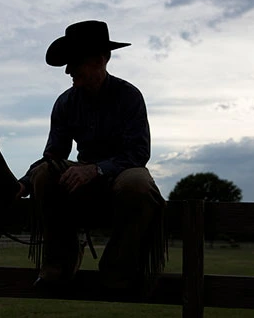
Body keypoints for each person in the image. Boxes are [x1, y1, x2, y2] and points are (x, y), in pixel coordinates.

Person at [16, 20, 167, 293]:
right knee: (44, 174)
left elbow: (138, 153)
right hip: (85, 177)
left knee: (138, 184)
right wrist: (23, 183)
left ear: (100, 60)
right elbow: (54, 155)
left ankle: (119, 271)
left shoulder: (130, 96)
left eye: (74, 62)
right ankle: (60, 263)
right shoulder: (65, 102)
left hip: (123, 172)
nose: (68, 70)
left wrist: (96, 169)